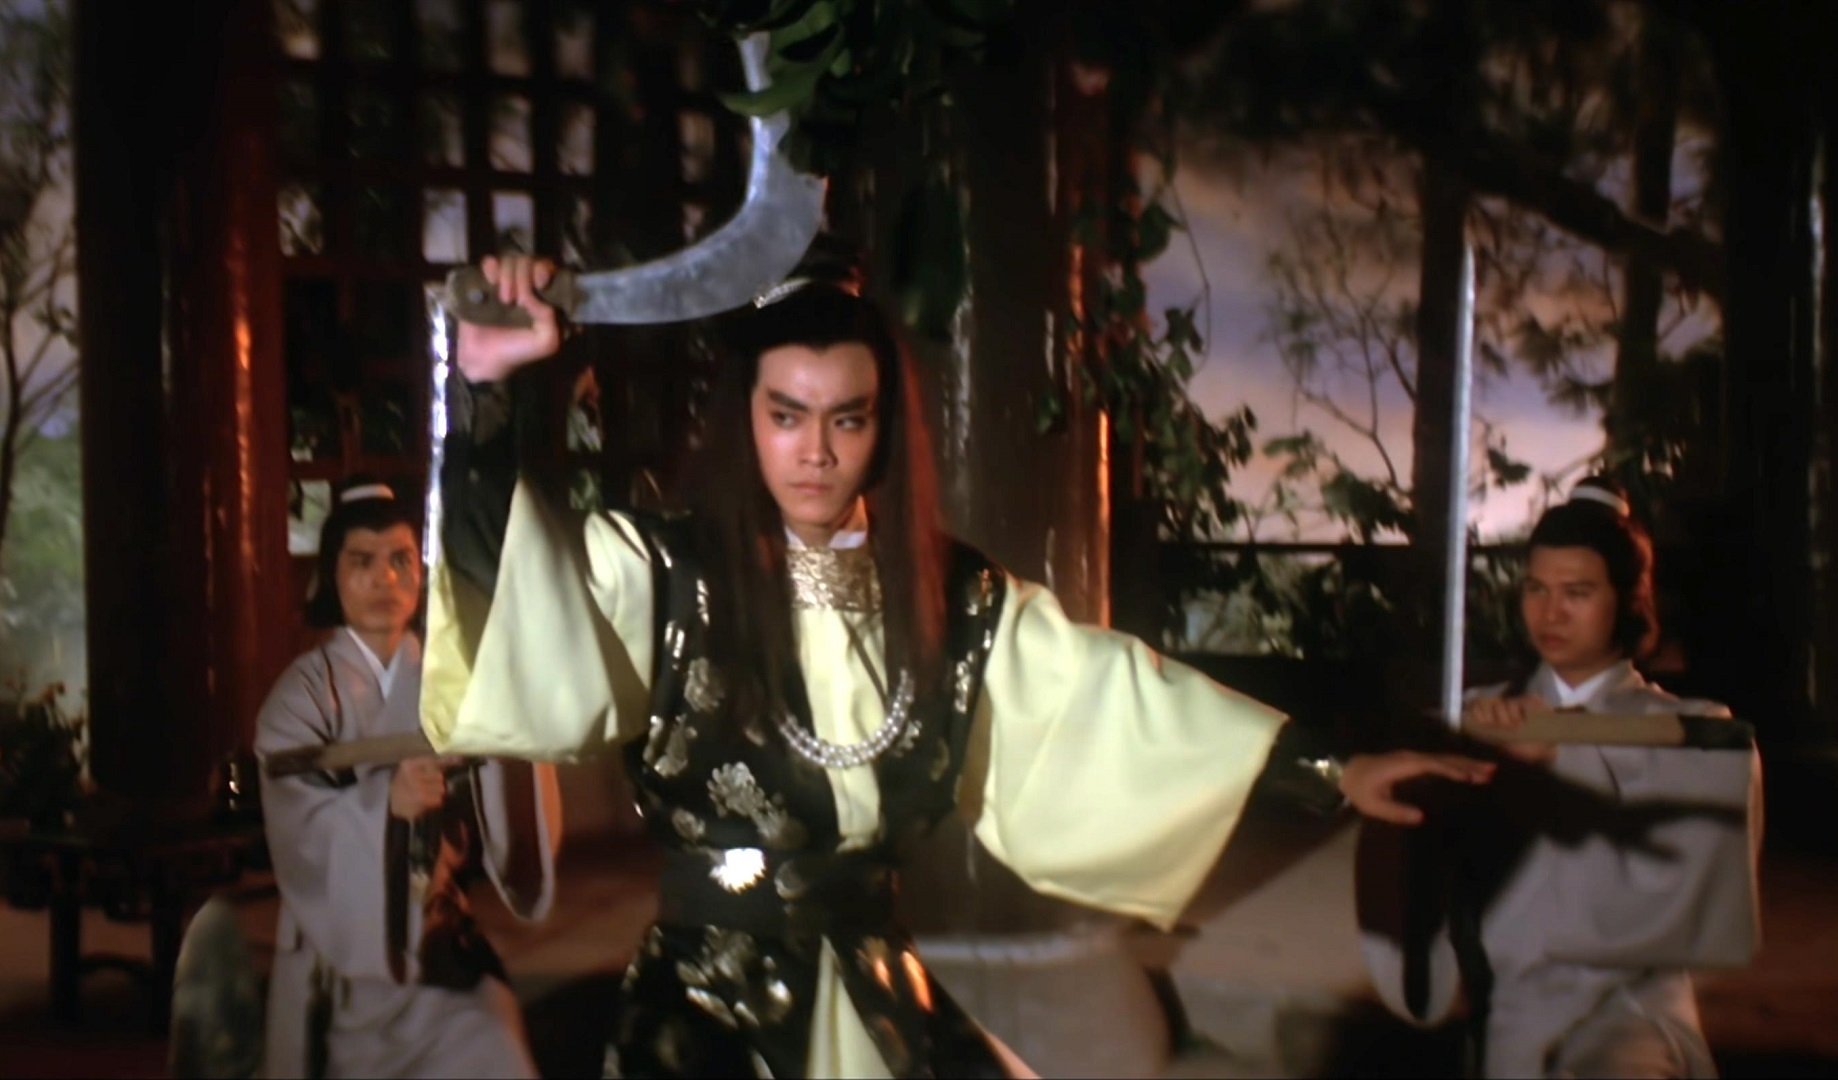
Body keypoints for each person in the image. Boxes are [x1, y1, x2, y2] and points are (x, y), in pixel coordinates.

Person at [424, 248, 1495, 1079]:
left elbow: (1116, 704)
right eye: (786, 416)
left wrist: (1331, 770)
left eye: (847, 419)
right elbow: (511, 587)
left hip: (879, 988)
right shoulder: (661, 570)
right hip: (705, 1014)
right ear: (745, 417)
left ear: (883, 427)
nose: (815, 451)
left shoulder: (956, 598)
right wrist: (485, 395)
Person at [1358, 477, 1764, 1078]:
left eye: (1578, 592)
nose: (1551, 612)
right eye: (1536, 589)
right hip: (1512, 1011)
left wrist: (1561, 753)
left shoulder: (1691, 727)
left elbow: (1698, 874)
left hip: (1632, 1012)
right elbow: (1412, 848)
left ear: (1629, 600)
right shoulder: (1481, 713)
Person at [254, 480, 561, 1079]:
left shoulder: (453, 679)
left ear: (421, 574)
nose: (384, 579)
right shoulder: (301, 695)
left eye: (400, 560)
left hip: (437, 940)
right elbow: (296, 822)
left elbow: (506, 764)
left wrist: (514, 733)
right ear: (331, 576)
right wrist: (382, 804)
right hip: (341, 949)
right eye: (361, 562)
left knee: (493, 1047)